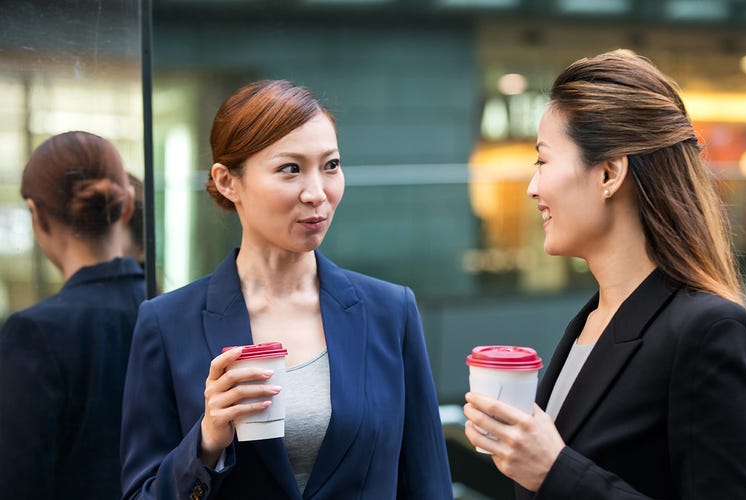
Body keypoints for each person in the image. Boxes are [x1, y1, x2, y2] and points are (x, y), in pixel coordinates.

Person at [463, 50, 746, 499]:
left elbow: (560, 474)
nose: (533, 187)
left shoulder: (710, 331)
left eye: (543, 161)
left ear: (609, 173)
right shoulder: (590, 322)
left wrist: (554, 471)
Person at [120, 80, 453, 499]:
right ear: (227, 181)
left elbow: (428, 486)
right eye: (290, 168)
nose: (317, 193)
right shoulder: (167, 324)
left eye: (331, 165)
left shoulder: (390, 312)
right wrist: (205, 444)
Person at [0, 131, 145, 499]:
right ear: (126, 206)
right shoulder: (174, 308)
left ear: (38, 218)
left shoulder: (34, 332)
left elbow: (19, 480)